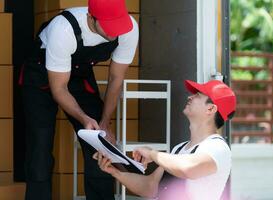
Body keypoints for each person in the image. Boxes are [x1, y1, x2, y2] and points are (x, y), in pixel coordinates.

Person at [20, 0, 138, 199]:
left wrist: (104, 122)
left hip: (78, 75)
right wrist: (84, 118)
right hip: (40, 77)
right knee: (39, 147)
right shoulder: (64, 29)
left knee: (99, 142)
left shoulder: (129, 29)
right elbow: (59, 89)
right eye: (110, 27)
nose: (115, 32)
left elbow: (116, 78)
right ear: (91, 18)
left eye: (118, 25)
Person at [93, 79, 236, 200]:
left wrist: (153, 154)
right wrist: (115, 171)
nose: (190, 97)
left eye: (197, 95)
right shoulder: (179, 149)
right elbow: (150, 187)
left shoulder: (218, 147)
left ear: (210, 109)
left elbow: (187, 168)